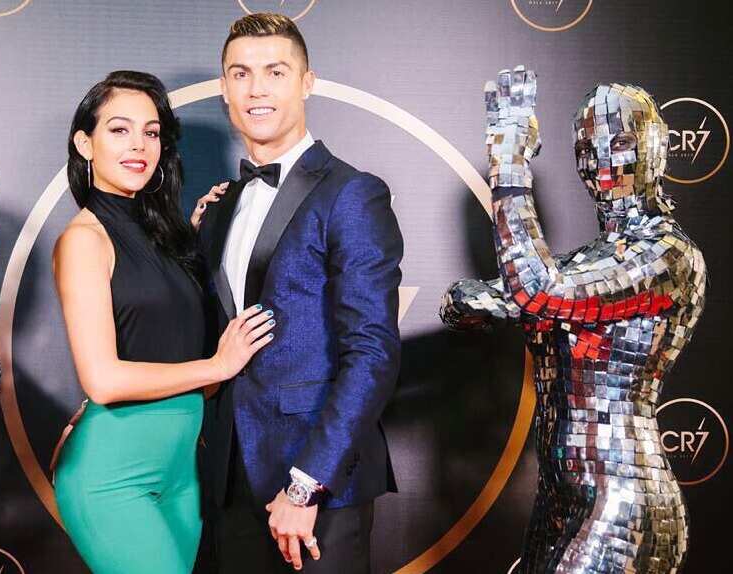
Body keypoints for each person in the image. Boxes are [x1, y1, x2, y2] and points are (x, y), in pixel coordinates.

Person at [440, 67, 703, 571]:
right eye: (586, 148)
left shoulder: (669, 256)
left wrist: (509, 162)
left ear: (657, 147)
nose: (602, 160)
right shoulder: (584, 265)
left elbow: (537, 291)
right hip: (557, 502)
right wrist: (494, 298)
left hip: (625, 505)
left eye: (620, 141)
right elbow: (468, 302)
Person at [191, 14, 403, 573]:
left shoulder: (352, 194)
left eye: (275, 72)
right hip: (229, 479)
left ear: (307, 82)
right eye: (241, 74)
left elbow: (372, 352)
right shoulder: (220, 206)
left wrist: (306, 486)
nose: (256, 89)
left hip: (317, 487)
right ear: (224, 88)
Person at [51, 70, 275, 574]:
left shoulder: (164, 237)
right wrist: (218, 366)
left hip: (181, 475)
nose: (138, 145)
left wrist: (199, 239)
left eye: (150, 132)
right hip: (112, 480)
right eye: (119, 129)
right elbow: (103, 380)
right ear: (85, 144)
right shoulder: (84, 239)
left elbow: (168, 338)